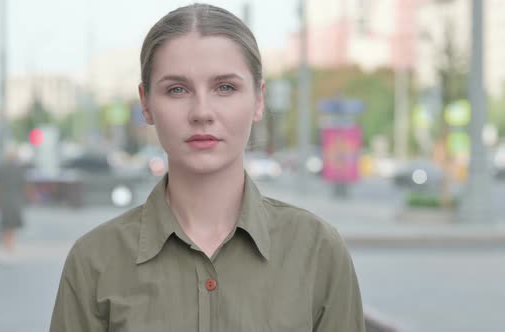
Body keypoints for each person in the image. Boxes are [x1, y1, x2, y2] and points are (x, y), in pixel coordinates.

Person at [50, 3, 365, 331]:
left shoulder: (317, 250)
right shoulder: (95, 261)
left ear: (258, 100)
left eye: (225, 87)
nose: (202, 111)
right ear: (145, 103)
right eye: (177, 89)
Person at [0, 144, 27, 260]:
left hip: (3, 199)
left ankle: (6, 244)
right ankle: (10, 245)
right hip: (15, 199)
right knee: (12, 223)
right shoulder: (19, 168)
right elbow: (24, 186)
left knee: (5, 222)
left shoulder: (1, 168)